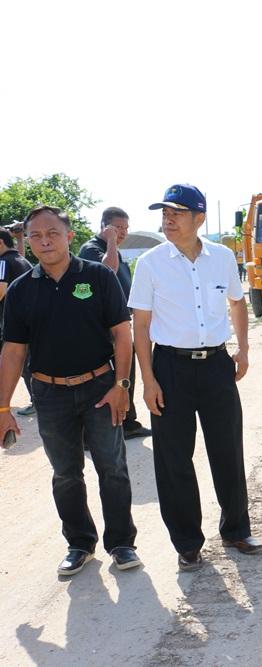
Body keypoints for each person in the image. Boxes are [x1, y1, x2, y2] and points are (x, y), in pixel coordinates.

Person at [0, 205, 140, 575]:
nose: (44, 241)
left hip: (101, 388)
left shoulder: (98, 276)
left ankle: (122, 544)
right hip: (49, 395)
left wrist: (122, 386)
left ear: (69, 236)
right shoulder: (21, 289)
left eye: (52, 233)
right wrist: (2, 408)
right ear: (28, 241)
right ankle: (79, 544)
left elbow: (122, 334)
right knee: (65, 473)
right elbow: (13, 351)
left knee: (112, 468)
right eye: (36, 235)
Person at [129, 184, 262, 571]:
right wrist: (149, 381)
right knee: (174, 458)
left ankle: (236, 529)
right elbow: (141, 326)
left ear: (199, 217)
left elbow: (237, 302)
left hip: (217, 365)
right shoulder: (151, 263)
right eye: (165, 214)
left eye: (177, 213)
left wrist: (243, 349)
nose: (168, 220)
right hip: (170, 368)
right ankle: (187, 542)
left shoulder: (222, 257)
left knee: (228, 450)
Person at [79, 207, 153, 439]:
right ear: (104, 226)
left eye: (125, 228)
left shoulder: (115, 252)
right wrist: (110, 241)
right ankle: (104, 429)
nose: (123, 233)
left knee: (126, 374)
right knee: (111, 377)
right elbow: (107, 270)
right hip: (103, 328)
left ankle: (128, 422)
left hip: (120, 323)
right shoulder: (91, 248)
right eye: (118, 228)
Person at [0, 227, 35, 412]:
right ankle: (37, 400)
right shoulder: (22, 260)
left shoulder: (3, 262)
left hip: (11, 322)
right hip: (30, 319)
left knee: (16, 362)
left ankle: (36, 401)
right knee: (27, 363)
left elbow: (1, 290)